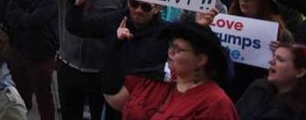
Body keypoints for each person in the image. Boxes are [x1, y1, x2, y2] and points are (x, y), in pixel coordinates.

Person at [100, 21, 238, 119]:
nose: (170, 52)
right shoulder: (156, 79)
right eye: (170, 46)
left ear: (201, 60)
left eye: (177, 49)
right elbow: (112, 92)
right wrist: (117, 46)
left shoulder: (216, 103)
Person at [236, 42, 306, 119]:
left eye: (280, 59)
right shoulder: (257, 88)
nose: (271, 62)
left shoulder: (299, 110)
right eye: (273, 56)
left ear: (300, 72)